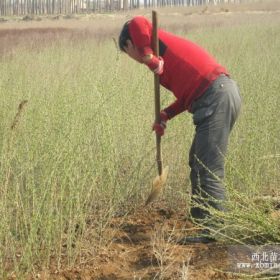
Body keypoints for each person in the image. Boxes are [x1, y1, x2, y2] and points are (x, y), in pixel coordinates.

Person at [118, 16, 241, 244]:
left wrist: (148, 58)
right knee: (197, 160)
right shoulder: (161, 56)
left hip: (217, 95)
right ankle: (202, 219)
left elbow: (137, 22)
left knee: (208, 167)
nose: (133, 59)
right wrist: (166, 115)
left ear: (129, 45)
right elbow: (188, 95)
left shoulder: (151, 41)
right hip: (216, 94)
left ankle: (215, 231)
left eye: (128, 54)